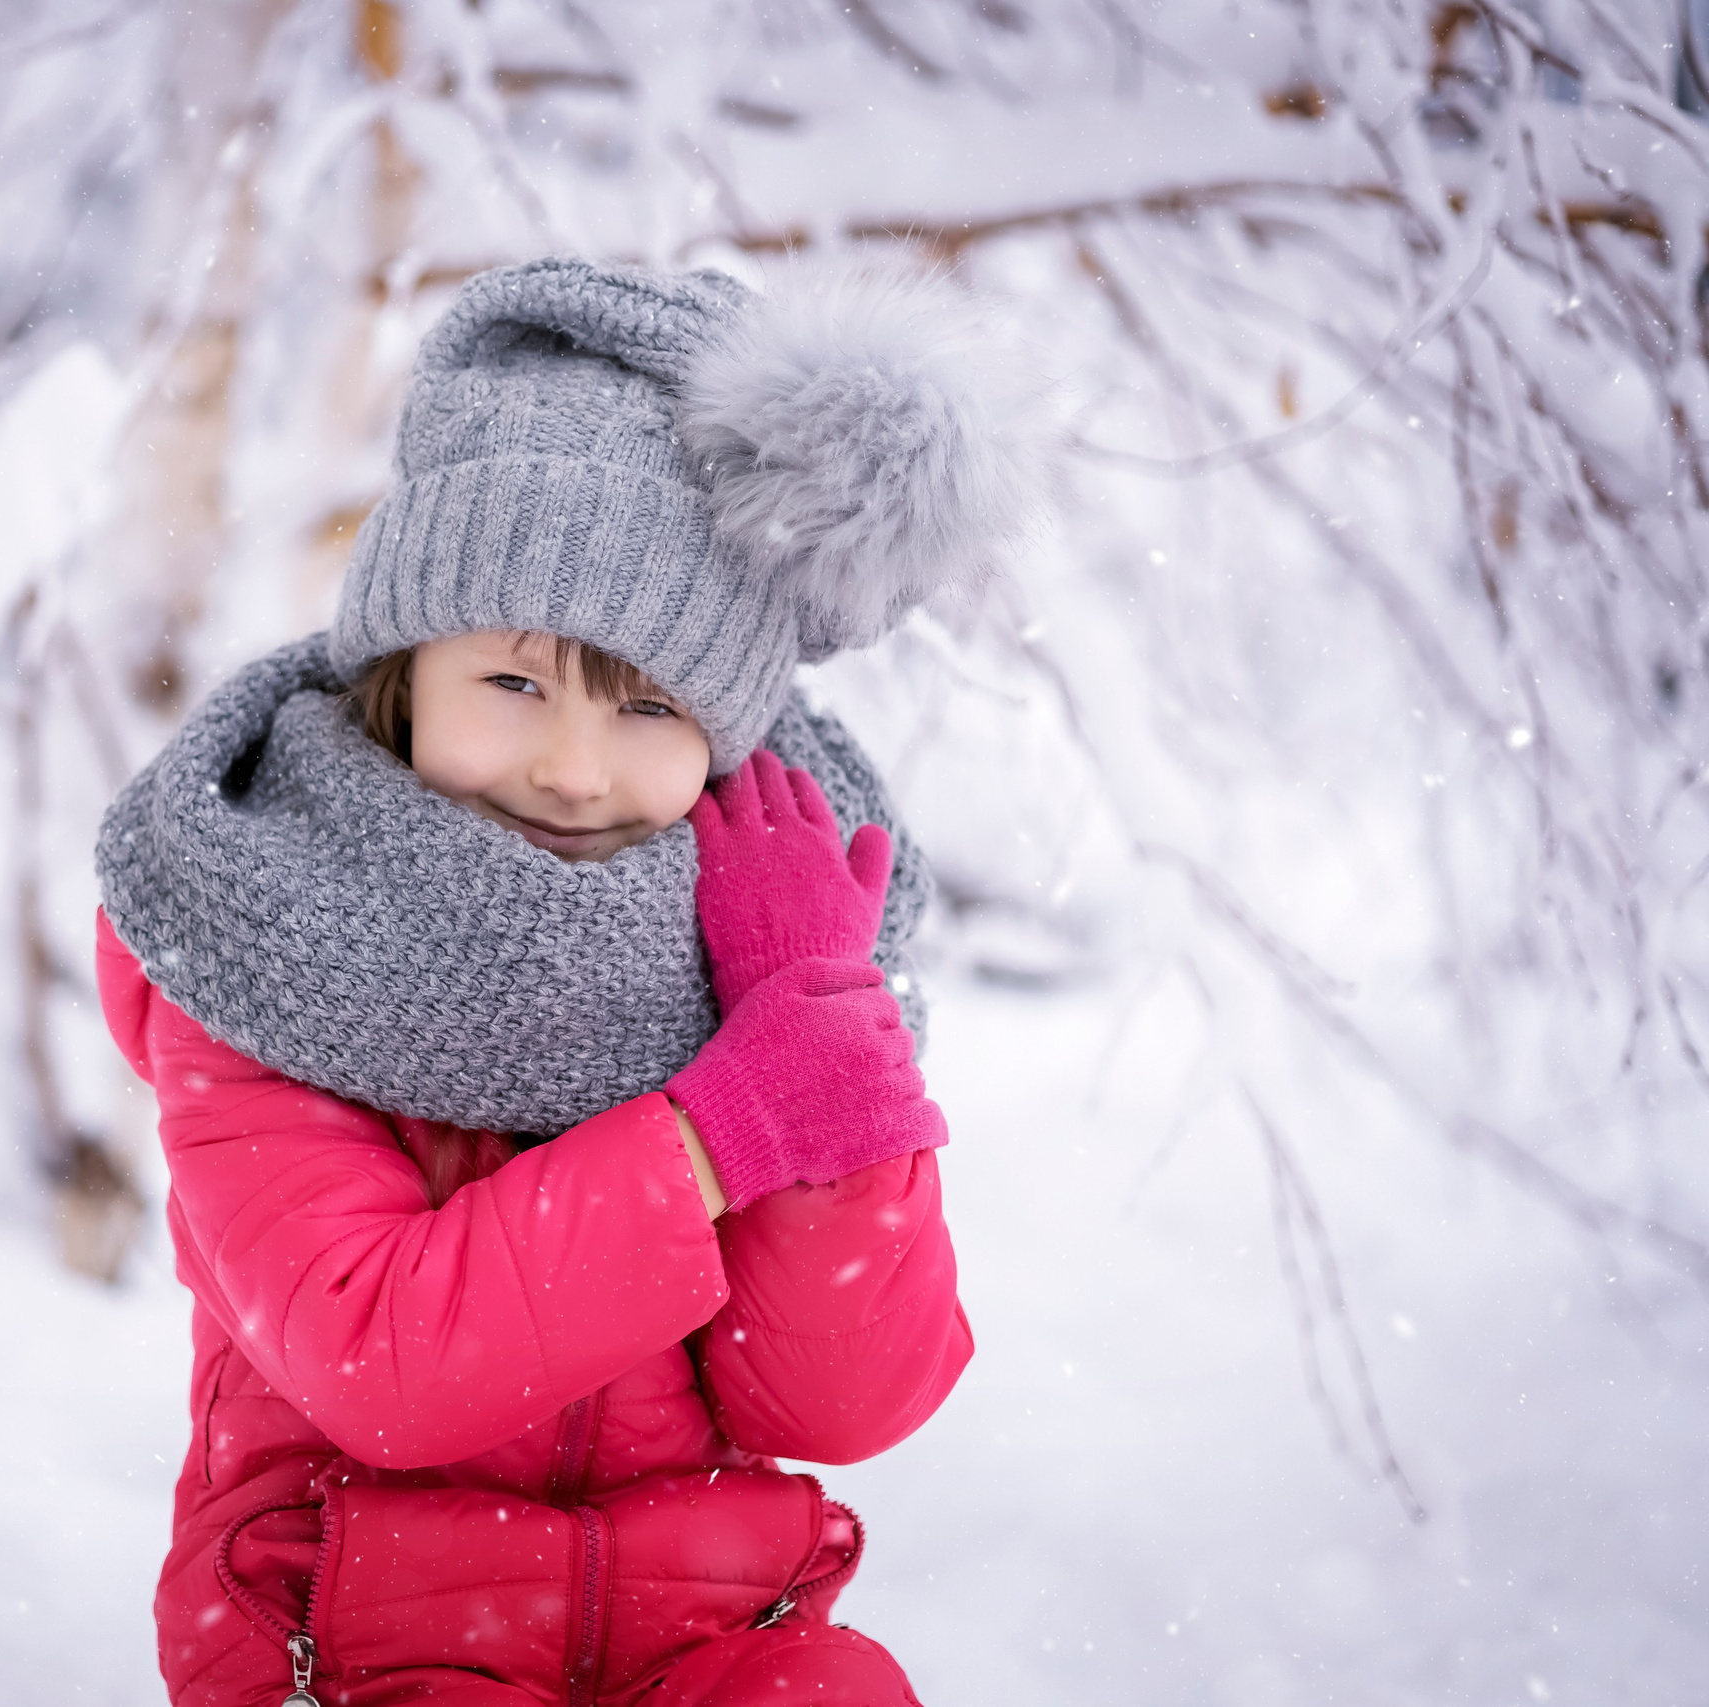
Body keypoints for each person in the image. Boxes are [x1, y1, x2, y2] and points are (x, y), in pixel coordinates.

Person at [94, 256, 1040, 1707]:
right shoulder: (267, 937)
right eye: (516, 684)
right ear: (409, 669)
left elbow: (849, 1399)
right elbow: (377, 1359)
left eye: (649, 703)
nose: (576, 767)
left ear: (726, 737)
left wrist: (825, 1049)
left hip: (708, 1641)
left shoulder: (763, 947)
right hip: (357, 1637)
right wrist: (722, 1131)